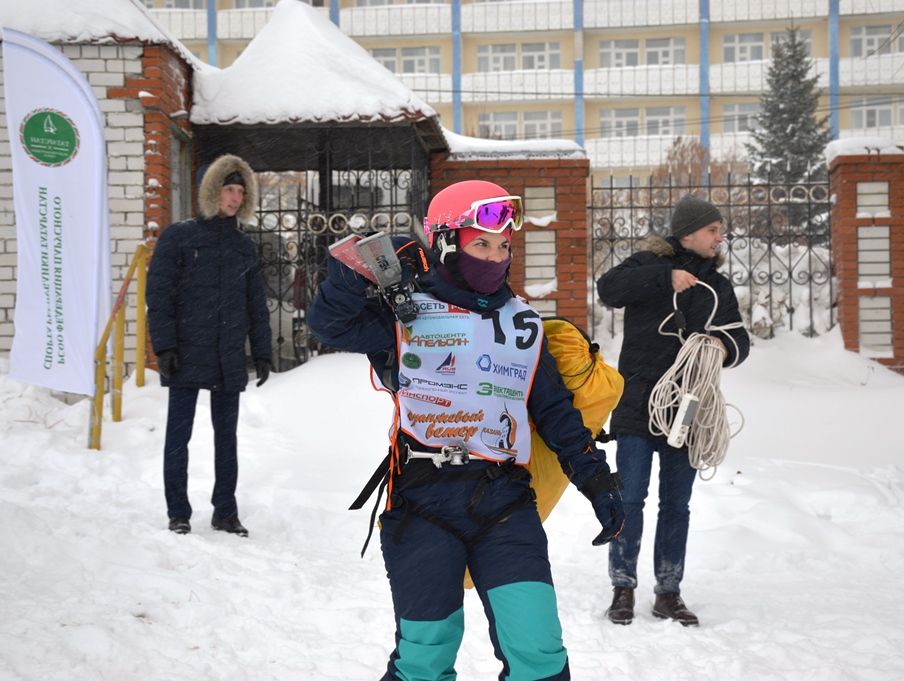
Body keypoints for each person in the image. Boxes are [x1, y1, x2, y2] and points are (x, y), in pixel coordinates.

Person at [307, 180, 624, 681]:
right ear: (448, 243)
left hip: (505, 503)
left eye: (503, 246)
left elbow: (558, 415)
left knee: (539, 654)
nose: (496, 257)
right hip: (421, 501)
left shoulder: (523, 324)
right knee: (424, 659)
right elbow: (329, 322)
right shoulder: (405, 312)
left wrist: (598, 483)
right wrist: (365, 265)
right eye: (482, 243)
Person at [596, 194, 750, 626]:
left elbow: (741, 340)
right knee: (629, 498)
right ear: (688, 233)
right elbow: (608, 289)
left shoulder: (717, 287)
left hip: (689, 408)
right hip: (637, 403)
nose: (720, 237)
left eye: (720, 230)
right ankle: (622, 588)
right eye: (713, 230)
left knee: (676, 503)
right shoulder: (648, 265)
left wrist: (723, 345)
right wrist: (667, 276)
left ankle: (669, 592)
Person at [146, 154, 273, 538]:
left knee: (227, 438)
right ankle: (178, 511)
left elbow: (256, 303)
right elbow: (160, 294)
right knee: (178, 437)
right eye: (227, 189)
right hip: (185, 353)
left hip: (227, 354)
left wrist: (263, 351)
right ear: (210, 192)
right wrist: (164, 346)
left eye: (239, 190)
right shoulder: (179, 238)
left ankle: (225, 512)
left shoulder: (242, 247)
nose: (234, 197)